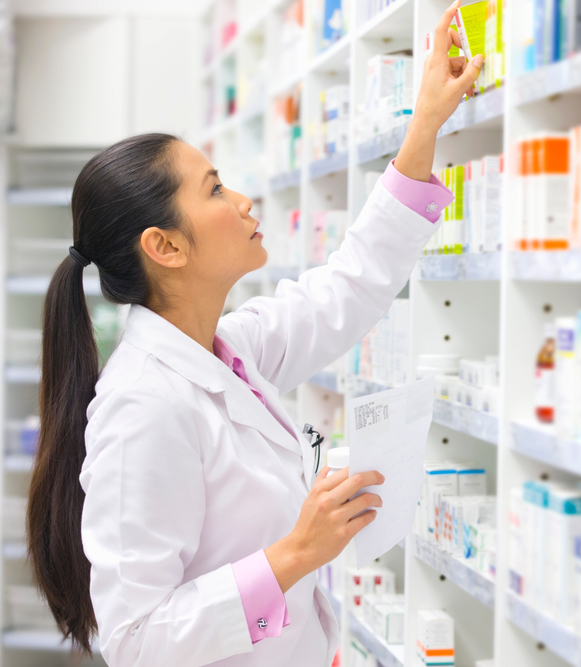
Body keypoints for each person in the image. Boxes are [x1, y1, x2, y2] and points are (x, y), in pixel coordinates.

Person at [25, 4, 481, 665]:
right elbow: (133, 641)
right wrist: (297, 552)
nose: (242, 201)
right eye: (214, 189)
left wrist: (425, 125)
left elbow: (348, 288)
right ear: (165, 246)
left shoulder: (229, 351)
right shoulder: (143, 408)